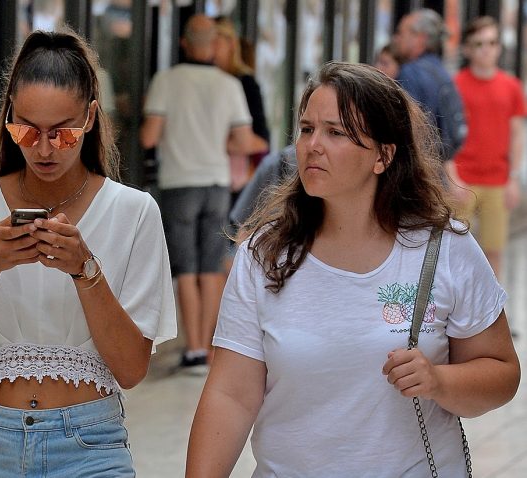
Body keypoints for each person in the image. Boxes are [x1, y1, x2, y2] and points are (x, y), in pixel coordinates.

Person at [186, 62, 520, 477]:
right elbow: (231, 395)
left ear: (383, 155)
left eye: (336, 132)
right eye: (307, 129)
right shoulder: (265, 253)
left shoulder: (444, 248)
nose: (312, 145)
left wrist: (439, 381)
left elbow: (502, 374)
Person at [0, 28, 176, 477]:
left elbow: (130, 370)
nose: (45, 148)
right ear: (10, 116)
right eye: (27, 129)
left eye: (63, 133)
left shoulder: (133, 211)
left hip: (90, 448)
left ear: (90, 117)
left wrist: (86, 271)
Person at [140, 14, 254, 372]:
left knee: (186, 269)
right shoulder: (229, 85)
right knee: (211, 267)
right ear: (212, 45)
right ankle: (207, 349)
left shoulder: (166, 81)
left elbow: (149, 137)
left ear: (184, 43)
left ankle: (191, 349)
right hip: (217, 182)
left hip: (179, 183)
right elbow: (241, 141)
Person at [452, 16, 525, 280]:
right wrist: (452, 177)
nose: (487, 49)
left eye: (493, 42)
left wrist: (513, 179)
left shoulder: (511, 86)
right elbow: (445, 133)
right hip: (463, 179)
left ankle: (493, 313)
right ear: (468, 49)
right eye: (479, 43)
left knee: (494, 251)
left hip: (497, 180)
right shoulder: (456, 85)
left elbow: (517, 135)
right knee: (456, 251)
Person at [393, 9, 467, 165]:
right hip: (436, 169)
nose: (396, 38)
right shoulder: (442, 72)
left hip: (415, 167)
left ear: (420, 38)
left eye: (401, 32)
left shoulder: (411, 72)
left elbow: (404, 127)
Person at [214, 16, 271, 201]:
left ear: (230, 43)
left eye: (216, 40)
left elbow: (261, 140)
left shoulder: (245, 83)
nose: (210, 47)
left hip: (235, 181)